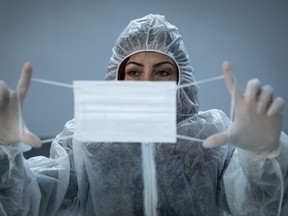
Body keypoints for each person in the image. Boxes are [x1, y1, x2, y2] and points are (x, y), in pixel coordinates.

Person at [0, 14, 287, 216]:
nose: (147, 82)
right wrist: (5, 152)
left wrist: (260, 157)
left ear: (182, 80)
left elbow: (255, 208)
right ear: (117, 77)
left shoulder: (211, 136)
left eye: (162, 72)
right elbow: (29, 205)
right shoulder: (85, 137)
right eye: (134, 72)